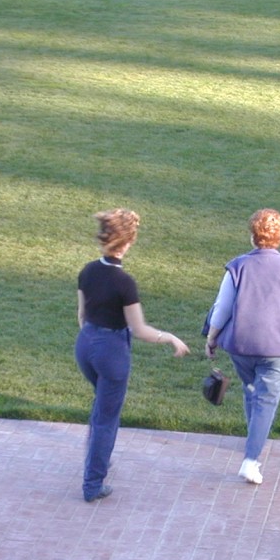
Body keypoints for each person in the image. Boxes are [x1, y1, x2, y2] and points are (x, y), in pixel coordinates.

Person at [76, 209, 190, 502]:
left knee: (101, 407)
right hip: (111, 353)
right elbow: (139, 329)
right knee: (106, 418)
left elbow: (81, 315)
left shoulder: (87, 271)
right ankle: (93, 483)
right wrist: (171, 338)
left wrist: (94, 338)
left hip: (85, 345)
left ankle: (98, 458)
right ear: (128, 242)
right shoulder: (124, 282)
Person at [205, 209, 280, 485]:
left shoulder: (238, 266)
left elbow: (222, 309)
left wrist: (211, 337)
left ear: (253, 236)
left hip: (242, 345)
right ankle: (251, 461)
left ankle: (253, 441)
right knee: (266, 399)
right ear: (279, 237)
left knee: (251, 389)